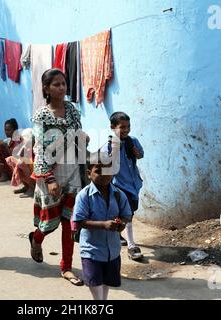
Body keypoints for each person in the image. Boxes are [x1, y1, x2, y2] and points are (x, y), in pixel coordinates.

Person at [29, 68, 86, 286]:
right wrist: (50, 179)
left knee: (69, 221)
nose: (61, 88)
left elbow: (78, 134)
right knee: (48, 222)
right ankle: (36, 239)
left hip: (72, 172)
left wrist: (83, 139)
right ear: (46, 88)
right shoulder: (41, 116)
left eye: (63, 83)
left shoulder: (72, 109)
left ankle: (67, 268)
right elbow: (40, 149)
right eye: (56, 84)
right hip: (50, 174)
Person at [72, 157, 132, 300]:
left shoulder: (118, 194)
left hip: (112, 250)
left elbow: (127, 215)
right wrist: (103, 224)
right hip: (91, 250)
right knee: (94, 280)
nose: (104, 175)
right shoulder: (84, 196)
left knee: (106, 280)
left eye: (108, 171)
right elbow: (80, 221)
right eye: (99, 171)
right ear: (89, 173)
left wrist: (121, 223)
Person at [106, 112, 144, 261]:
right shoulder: (109, 145)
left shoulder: (132, 141)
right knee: (128, 215)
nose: (126, 130)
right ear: (112, 127)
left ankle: (119, 233)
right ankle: (132, 246)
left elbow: (140, 155)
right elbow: (105, 164)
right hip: (118, 185)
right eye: (122, 127)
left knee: (128, 212)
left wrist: (137, 152)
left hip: (133, 184)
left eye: (128, 127)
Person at [5, 128, 35, 198]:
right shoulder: (22, 144)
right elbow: (19, 155)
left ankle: (32, 188)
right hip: (30, 166)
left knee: (21, 163)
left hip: (35, 168)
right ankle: (27, 186)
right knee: (11, 160)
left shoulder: (35, 145)